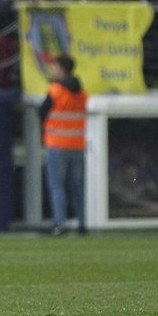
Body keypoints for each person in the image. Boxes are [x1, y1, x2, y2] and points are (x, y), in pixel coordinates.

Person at [39, 54, 87, 235]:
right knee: (77, 187)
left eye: (55, 66)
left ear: (61, 68)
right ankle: (83, 223)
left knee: (57, 185)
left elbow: (42, 112)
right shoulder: (82, 93)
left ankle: (60, 224)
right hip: (78, 144)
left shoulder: (56, 90)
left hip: (57, 144)